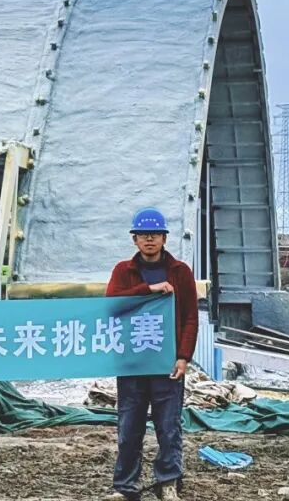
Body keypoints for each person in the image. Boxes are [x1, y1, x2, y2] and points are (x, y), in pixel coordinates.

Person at [103, 208, 198, 501]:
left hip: (166, 365)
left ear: (164, 238)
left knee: (169, 427)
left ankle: (167, 482)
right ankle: (125, 486)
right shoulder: (123, 271)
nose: (149, 240)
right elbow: (111, 305)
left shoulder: (180, 272)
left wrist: (183, 356)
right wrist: (149, 289)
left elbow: (190, 318)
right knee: (129, 427)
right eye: (143, 235)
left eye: (155, 234)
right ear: (134, 239)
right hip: (132, 364)